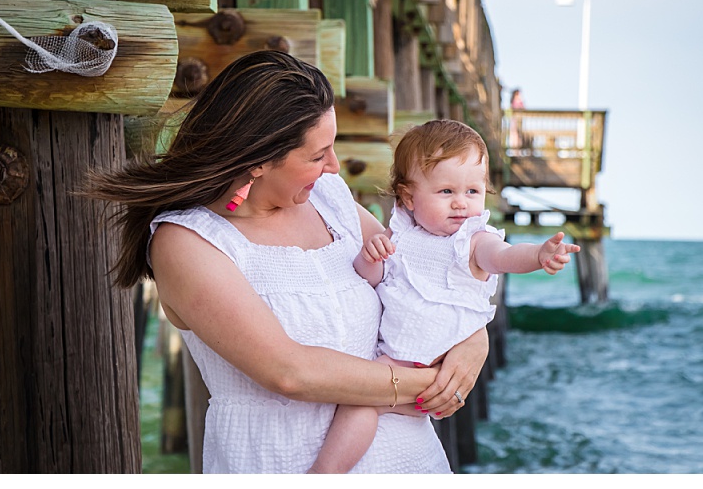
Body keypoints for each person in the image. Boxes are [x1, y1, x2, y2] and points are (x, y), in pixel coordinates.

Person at [89, 51, 487, 474]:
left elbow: (422, 274)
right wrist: (434, 385)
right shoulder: (187, 243)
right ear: (259, 159)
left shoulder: (330, 198)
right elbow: (289, 372)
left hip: (409, 461)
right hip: (278, 461)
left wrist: (472, 339)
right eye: (317, 156)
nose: (333, 166)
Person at [310, 119, 579, 473]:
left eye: (473, 191)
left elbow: (503, 257)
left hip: (425, 361)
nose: (461, 204)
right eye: (446, 192)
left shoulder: (472, 241)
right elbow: (375, 280)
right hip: (404, 361)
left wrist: (538, 256)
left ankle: (322, 474)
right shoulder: (403, 235)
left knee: (358, 404)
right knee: (361, 400)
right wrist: (369, 257)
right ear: (408, 197)